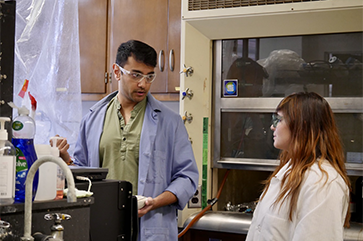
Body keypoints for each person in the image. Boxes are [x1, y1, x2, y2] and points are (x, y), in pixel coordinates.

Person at [57, 40, 199, 241]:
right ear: (117, 72)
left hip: (151, 227)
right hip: (102, 225)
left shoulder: (170, 122)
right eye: (136, 75)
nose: (143, 84)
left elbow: (188, 177)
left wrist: (155, 202)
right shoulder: (93, 118)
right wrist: (66, 160)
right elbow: (85, 173)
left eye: (149, 76)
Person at [246, 92, 351, 241]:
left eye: (278, 120)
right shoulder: (288, 169)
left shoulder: (323, 183)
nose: (272, 127)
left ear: (301, 126)